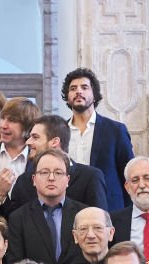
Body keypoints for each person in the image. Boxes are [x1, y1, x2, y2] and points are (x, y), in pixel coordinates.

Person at [4, 114, 108, 217]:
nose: (28, 142)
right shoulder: (24, 181)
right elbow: (14, 222)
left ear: (55, 142)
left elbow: (100, 222)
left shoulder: (90, 177)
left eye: (35, 137)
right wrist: (0, 196)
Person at [6, 148, 87, 264]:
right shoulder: (18, 218)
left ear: (67, 180)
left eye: (58, 173)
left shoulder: (84, 214)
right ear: (33, 179)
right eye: (44, 172)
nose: (51, 178)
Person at [63, 67, 134, 210]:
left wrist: (127, 213)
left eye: (84, 87)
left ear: (94, 95)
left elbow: (129, 174)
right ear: (67, 97)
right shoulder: (60, 131)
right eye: (73, 88)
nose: (78, 91)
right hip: (69, 208)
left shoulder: (115, 130)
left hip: (108, 208)